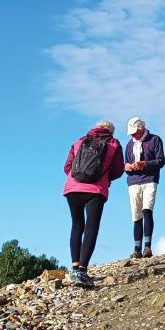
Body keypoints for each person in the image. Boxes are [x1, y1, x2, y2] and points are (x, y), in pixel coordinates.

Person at [63, 119, 125, 286]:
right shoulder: (113, 143)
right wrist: (104, 177)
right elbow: (119, 170)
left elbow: (67, 167)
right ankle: (82, 271)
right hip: (95, 190)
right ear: (111, 131)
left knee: (77, 225)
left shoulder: (80, 141)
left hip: (72, 188)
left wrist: (79, 178)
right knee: (91, 227)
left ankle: (74, 267)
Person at [124, 116, 165, 259]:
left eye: (135, 131)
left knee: (147, 210)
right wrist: (127, 167)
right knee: (136, 215)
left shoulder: (155, 140)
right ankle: (137, 249)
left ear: (141, 128)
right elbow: (126, 164)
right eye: (132, 132)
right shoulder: (129, 145)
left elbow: (161, 161)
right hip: (133, 182)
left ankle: (147, 247)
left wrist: (145, 164)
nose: (133, 135)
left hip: (150, 180)